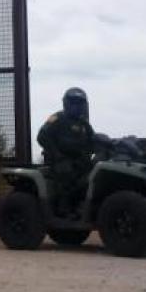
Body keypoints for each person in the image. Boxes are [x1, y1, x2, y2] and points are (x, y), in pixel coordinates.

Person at [37, 88, 96, 219]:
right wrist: (57, 155)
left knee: (94, 174)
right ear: (66, 103)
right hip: (57, 160)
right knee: (67, 173)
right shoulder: (57, 118)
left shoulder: (84, 123)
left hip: (78, 160)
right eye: (73, 102)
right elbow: (42, 136)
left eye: (79, 103)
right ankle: (64, 208)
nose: (76, 106)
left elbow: (94, 139)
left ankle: (85, 206)